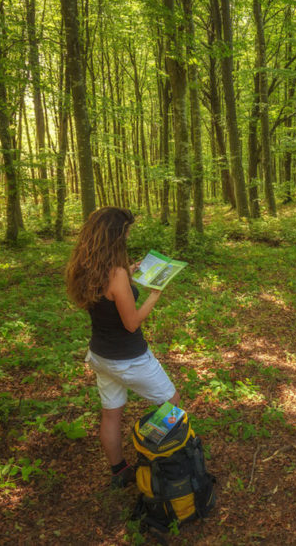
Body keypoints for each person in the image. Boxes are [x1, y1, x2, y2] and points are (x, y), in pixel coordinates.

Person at [65, 206, 180, 488]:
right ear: (116, 236)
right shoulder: (114, 273)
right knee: (172, 404)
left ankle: (118, 470)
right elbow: (131, 323)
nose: (128, 237)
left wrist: (127, 272)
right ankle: (150, 450)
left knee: (111, 413)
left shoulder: (86, 266)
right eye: (126, 232)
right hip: (129, 358)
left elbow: (107, 292)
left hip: (100, 356)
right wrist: (155, 295)